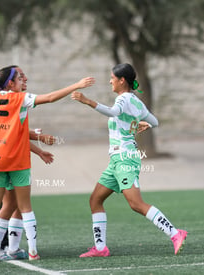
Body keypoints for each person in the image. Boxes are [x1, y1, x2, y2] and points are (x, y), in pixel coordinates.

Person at [0, 65, 94, 262]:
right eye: (20, 79)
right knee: (25, 207)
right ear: (11, 83)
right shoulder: (20, 98)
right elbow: (49, 98)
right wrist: (76, 85)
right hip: (16, 160)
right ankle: (32, 252)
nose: (23, 82)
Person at [71, 63, 187, 257]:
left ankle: (175, 233)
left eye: (112, 78)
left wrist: (87, 101)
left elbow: (114, 112)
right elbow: (155, 122)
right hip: (117, 160)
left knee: (136, 204)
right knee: (95, 200)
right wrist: (145, 125)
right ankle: (100, 248)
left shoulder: (124, 99)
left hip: (125, 159)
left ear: (121, 80)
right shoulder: (136, 101)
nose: (110, 81)